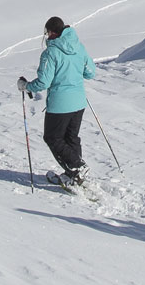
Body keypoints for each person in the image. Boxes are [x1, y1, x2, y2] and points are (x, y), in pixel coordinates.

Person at [18, 16, 99, 185]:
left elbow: (43, 82)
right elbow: (91, 72)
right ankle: (74, 175)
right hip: (78, 102)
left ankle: (77, 166)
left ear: (52, 32)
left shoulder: (50, 53)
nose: (46, 36)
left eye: (47, 32)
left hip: (60, 104)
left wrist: (26, 86)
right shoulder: (79, 47)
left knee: (53, 138)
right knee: (71, 138)